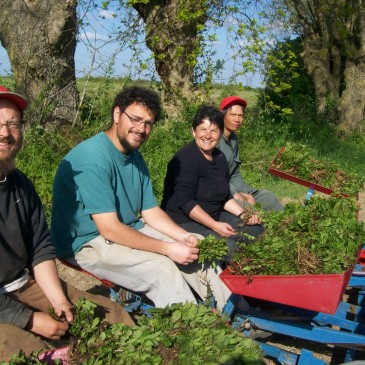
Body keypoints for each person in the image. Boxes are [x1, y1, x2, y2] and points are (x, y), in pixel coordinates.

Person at [52, 86, 231, 311]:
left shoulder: (134, 156)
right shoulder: (92, 159)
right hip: (87, 241)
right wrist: (166, 248)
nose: (141, 128)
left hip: (128, 226)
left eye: (148, 123)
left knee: (199, 245)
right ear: (117, 115)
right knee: (162, 267)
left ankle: (229, 312)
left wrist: (183, 236)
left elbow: (150, 212)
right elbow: (109, 229)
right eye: (135, 119)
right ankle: (193, 333)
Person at [0, 86, 134, 362]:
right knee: (32, 351)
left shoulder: (19, 185)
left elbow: (39, 247)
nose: (5, 133)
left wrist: (59, 300)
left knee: (112, 316)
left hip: (22, 283)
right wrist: (29, 320)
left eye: (13, 124)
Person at [161, 105, 264, 260]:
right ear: (193, 131)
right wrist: (214, 225)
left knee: (256, 230)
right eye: (203, 129)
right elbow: (185, 202)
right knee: (228, 247)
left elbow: (225, 196)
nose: (208, 135)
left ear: (220, 134)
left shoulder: (219, 157)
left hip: (214, 215)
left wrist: (243, 214)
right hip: (184, 222)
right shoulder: (184, 159)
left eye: (214, 130)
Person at [219, 96, 284, 212]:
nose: (237, 119)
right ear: (222, 115)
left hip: (233, 188)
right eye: (233, 115)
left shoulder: (233, 139)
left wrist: (247, 193)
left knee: (267, 197)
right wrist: (234, 193)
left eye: (240, 116)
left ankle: (290, 220)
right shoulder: (213, 139)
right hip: (219, 192)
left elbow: (235, 173)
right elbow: (213, 176)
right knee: (247, 209)